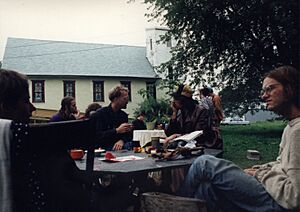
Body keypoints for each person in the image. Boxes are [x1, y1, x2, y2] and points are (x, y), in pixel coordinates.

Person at [0, 69, 135, 212]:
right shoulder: (31, 139)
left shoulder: (123, 116)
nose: (33, 108)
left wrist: (121, 137)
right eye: (26, 101)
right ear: (5, 106)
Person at [179, 66, 300, 211]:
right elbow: (282, 164)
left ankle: (173, 206)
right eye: (263, 91)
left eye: (270, 89)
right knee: (207, 189)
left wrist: (259, 174)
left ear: (289, 88)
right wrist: (260, 168)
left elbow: (294, 197)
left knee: (204, 163)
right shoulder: (291, 127)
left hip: (279, 205)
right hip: (273, 193)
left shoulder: (298, 132)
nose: (264, 96)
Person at [93, 85, 133, 150]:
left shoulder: (123, 115)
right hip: (104, 147)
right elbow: (97, 136)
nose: (127, 101)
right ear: (115, 99)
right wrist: (117, 130)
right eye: (124, 99)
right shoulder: (100, 114)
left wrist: (122, 140)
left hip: (120, 146)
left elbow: (127, 135)